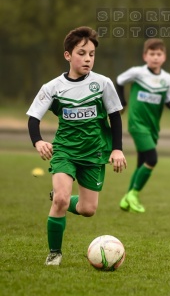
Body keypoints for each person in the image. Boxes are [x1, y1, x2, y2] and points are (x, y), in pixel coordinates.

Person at [27, 26, 127, 266]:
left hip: (94, 153)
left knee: (87, 209)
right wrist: (38, 141)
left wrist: (117, 148)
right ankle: (54, 253)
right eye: (82, 53)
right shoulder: (52, 87)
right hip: (65, 151)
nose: (88, 59)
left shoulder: (102, 84)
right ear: (68, 55)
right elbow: (33, 118)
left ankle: (59, 197)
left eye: (91, 54)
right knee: (61, 200)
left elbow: (114, 117)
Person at [116, 38, 170, 213]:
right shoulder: (138, 73)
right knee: (152, 159)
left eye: (158, 54)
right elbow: (120, 80)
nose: (155, 57)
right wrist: (122, 101)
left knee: (141, 164)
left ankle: (127, 197)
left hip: (153, 127)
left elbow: (168, 99)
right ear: (145, 56)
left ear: (164, 57)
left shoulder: (167, 79)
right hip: (137, 124)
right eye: (151, 54)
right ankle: (134, 194)